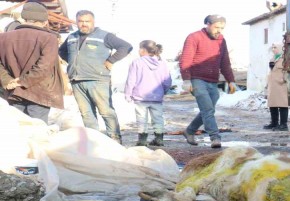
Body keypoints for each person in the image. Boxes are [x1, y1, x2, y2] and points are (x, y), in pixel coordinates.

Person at [59, 10, 132, 144]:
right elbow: (62, 51)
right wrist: (74, 63)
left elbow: (126, 47)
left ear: (93, 22)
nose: (84, 24)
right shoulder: (71, 37)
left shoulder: (104, 36)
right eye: (81, 21)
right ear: (77, 22)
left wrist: (111, 60)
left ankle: (115, 140)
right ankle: (93, 142)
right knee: (86, 114)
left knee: (106, 112)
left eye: (87, 21)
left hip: (98, 80)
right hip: (77, 80)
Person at [180, 14, 239, 148]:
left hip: (213, 81)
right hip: (197, 80)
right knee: (207, 109)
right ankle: (215, 137)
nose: (219, 30)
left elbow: (224, 62)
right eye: (216, 27)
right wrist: (187, 80)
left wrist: (231, 80)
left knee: (208, 110)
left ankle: (189, 131)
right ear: (207, 24)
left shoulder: (221, 40)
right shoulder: (194, 37)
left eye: (222, 28)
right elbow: (186, 59)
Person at [0, 2, 64, 123]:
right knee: (37, 133)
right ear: (44, 21)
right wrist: (22, 81)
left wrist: (7, 80)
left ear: (24, 18)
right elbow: (44, 67)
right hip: (39, 93)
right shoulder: (49, 38)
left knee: (18, 129)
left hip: (14, 92)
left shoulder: (3, 38)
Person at [124, 40, 172, 147]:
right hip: (157, 97)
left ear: (143, 50)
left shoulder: (137, 62)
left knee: (141, 118)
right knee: (158, 118)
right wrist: (163, 90)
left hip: (140, 97)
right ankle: (159, 139)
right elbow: (167, 80)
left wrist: (128, 94)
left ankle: (142, 140)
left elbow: (131, 80)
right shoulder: (162, 63)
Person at [264, 43, 289, 131]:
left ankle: (283, 124)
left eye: (275, 47)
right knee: (273, 104)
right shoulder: (272, 59)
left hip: (281, 85)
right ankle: (274, 123)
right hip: (272, 85)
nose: (273, 49)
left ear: (280, 48)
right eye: (273, 48)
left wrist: (283, 80)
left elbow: (287, 71)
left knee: (282, 105)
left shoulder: (284, 59)